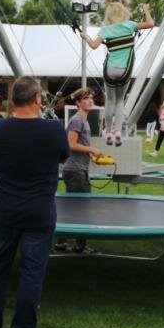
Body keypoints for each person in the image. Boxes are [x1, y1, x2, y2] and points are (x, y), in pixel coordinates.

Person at [0, 77, 69, 328]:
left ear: (12, 100)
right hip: (38, 213)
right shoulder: (53, 129)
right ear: (37, 99)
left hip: (5, 210)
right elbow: (64, 156)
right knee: (31, 273)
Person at [79, 0, 155, 145]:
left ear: (109, 16)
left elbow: (93, 46)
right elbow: (151, 24)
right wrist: (146, 10)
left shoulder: (105, 30)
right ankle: (118, 131)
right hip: (125, 70)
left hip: (110, 70)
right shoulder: (130, 25)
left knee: (110, 100)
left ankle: (108, 132)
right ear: (123, 13)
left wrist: (85, 37)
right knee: (120, 101)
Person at [56, 87, 103, 254]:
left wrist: (92, 155)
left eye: (91, 98)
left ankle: (61, 242)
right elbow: (71, 144)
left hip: (77, 168)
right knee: (81, 208)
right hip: (75, 170)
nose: (90, 101)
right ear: (77, 102)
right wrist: (92, 149)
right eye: (86, 98)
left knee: (72, 208)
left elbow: (79, 145)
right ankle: (80, 246)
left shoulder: (84, 120)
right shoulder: (77, 120)